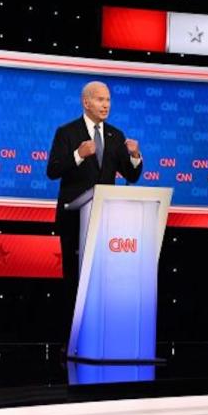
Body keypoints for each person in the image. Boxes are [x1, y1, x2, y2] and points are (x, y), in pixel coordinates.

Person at [46, 81, 143, 342]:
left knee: (101, 283)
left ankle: (98, 337)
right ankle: (71, 340)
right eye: (100, 100)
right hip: (74, 220)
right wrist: (77, 155)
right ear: (86, 102)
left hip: (105, 223)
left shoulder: (115, 135)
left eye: (108, 100)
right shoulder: (67, 132)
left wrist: (134, 156)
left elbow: (131, 175)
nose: (106, 105)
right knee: (74, 282)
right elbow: (52, 170)